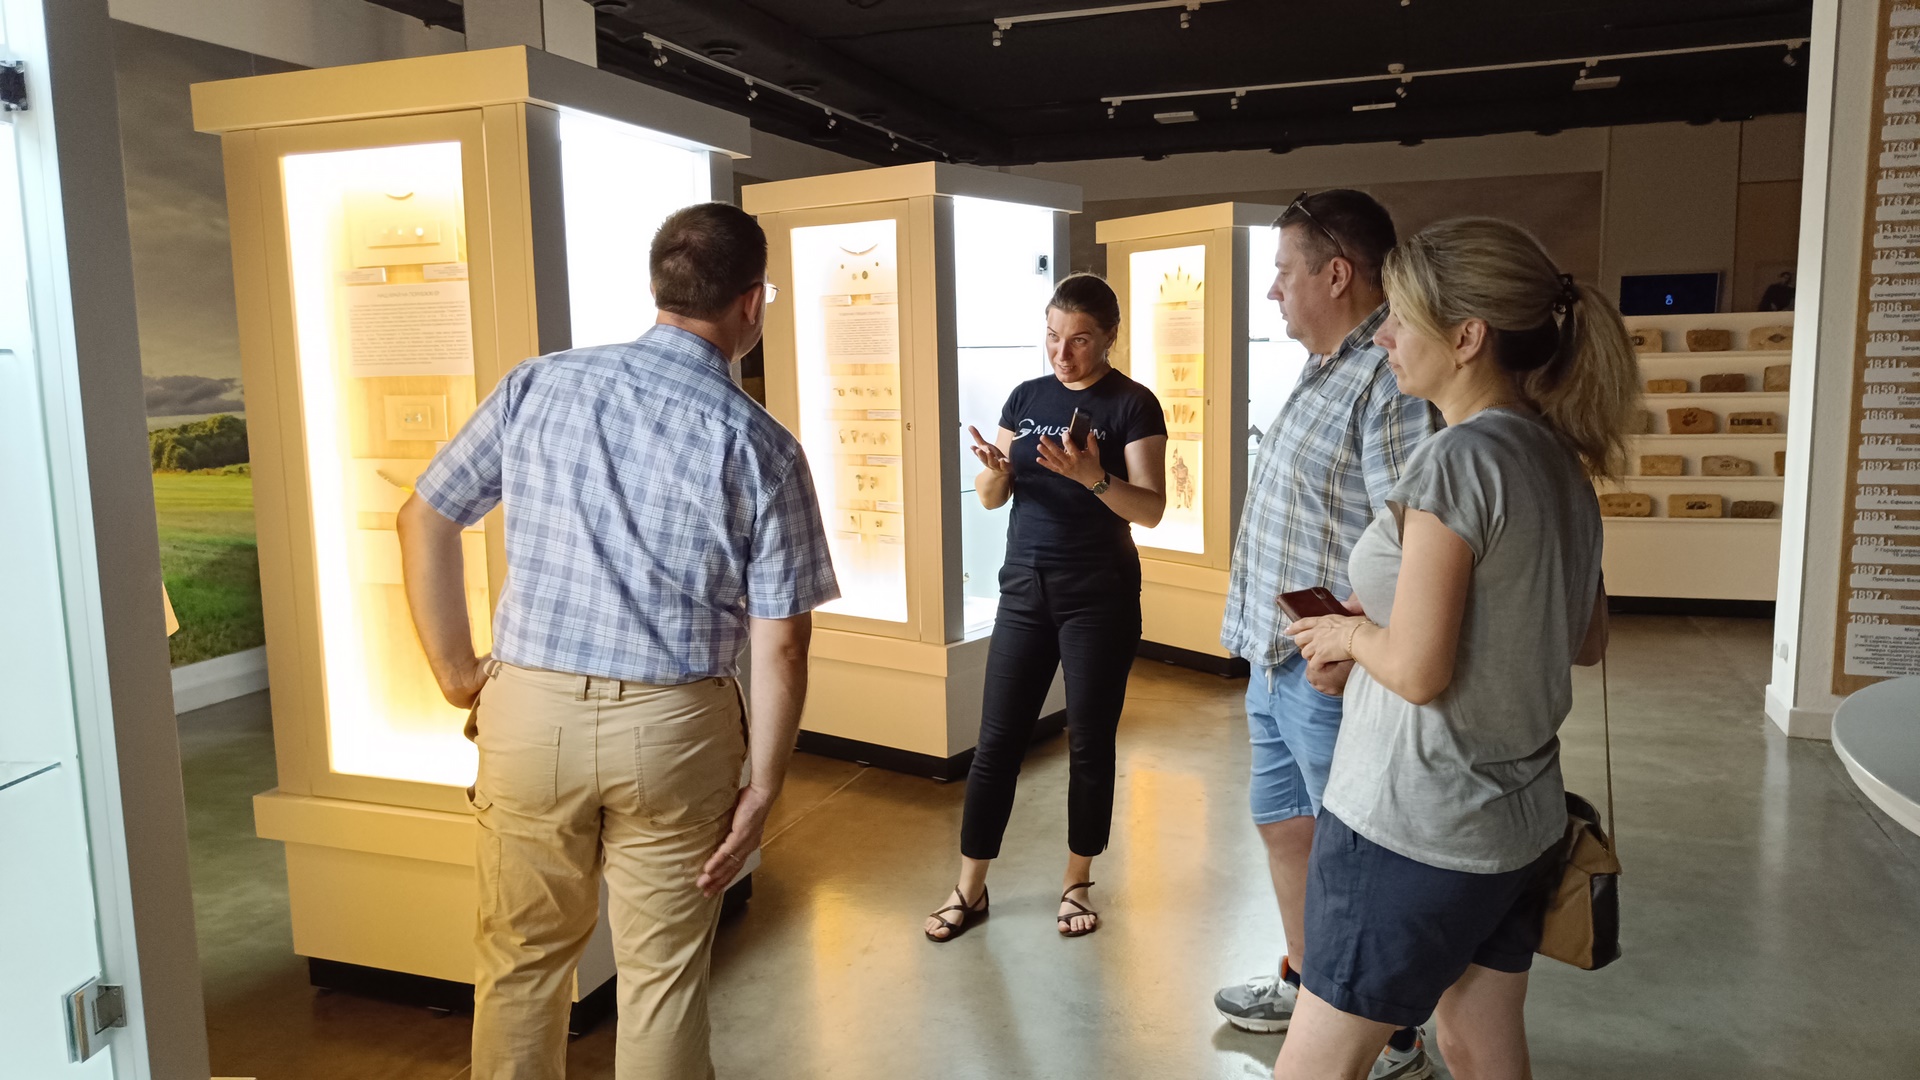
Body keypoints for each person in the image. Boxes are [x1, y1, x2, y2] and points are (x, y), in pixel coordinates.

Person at [397, 202, 838, 1080]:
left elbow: (424, 517)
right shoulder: (763, 445)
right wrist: (764, 785)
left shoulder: (539, 384)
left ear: (660, 286)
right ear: (751, 303)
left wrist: (455, 674)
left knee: (521, 967)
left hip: (528, 713)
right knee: (662, 979)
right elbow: (782, 645)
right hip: (675, 733)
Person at [1274, 217, 1628, 1080]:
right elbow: (1584, 638)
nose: (1384, 336)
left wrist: (1352, 634)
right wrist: (1374, 637)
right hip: (1517, 823)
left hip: (1413, 825)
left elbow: (1421, 671)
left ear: (1467, 338)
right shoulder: (1559, 459)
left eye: (1401, 318)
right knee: (1477, 1041)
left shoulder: (1455, 461)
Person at [1212, 190, 1443, 1080]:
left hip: (1329, 672)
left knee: (1356, 860)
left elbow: (1411, 536)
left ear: (1336, 274)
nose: (1273, 290)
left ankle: (1389, 1034)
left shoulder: (1386, 376)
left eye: (1283, 271)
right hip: (1279, 658)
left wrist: (1349, 642)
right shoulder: (1326, 364)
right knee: (1286, 828)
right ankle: (1311, 986)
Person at [922, 273, 1167, 942]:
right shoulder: (1027, 396)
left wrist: (1093, 478)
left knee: (1089, 742)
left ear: (1109, 337)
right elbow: (990, 497)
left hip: (1099, 595)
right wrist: (996, 472)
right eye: (1053, 337)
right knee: (996, 742)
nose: (1063, 354)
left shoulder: (1132, 404)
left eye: (1080, 340)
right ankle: (970, 887)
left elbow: (1150, 509)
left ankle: (1076, 880)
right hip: (1025, 588)